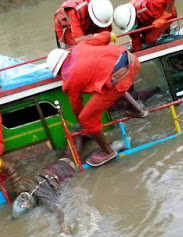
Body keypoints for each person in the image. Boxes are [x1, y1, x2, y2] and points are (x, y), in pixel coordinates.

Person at [46, 31, 147, 167]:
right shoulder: (81, 46)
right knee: (109, 84)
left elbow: (76, 108)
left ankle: (107, 151)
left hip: (119, 78)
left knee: (86, 117)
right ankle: (139, 111)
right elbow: (105, 36)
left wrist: (85, 126)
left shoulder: (69, 79)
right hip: (132, 60)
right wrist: (112, 36)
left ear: (58, 72)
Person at [11, 125, 84, 237]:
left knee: (71, 156)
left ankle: (77, 131)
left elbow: (61, 213)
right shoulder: (30, 191)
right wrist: (65, 231)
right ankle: (76, 131)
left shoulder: (26, 190)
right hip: (57, 168)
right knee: (69, 156)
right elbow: (61, 214)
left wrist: (65, 231)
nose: (21, 197)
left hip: (64, 169)